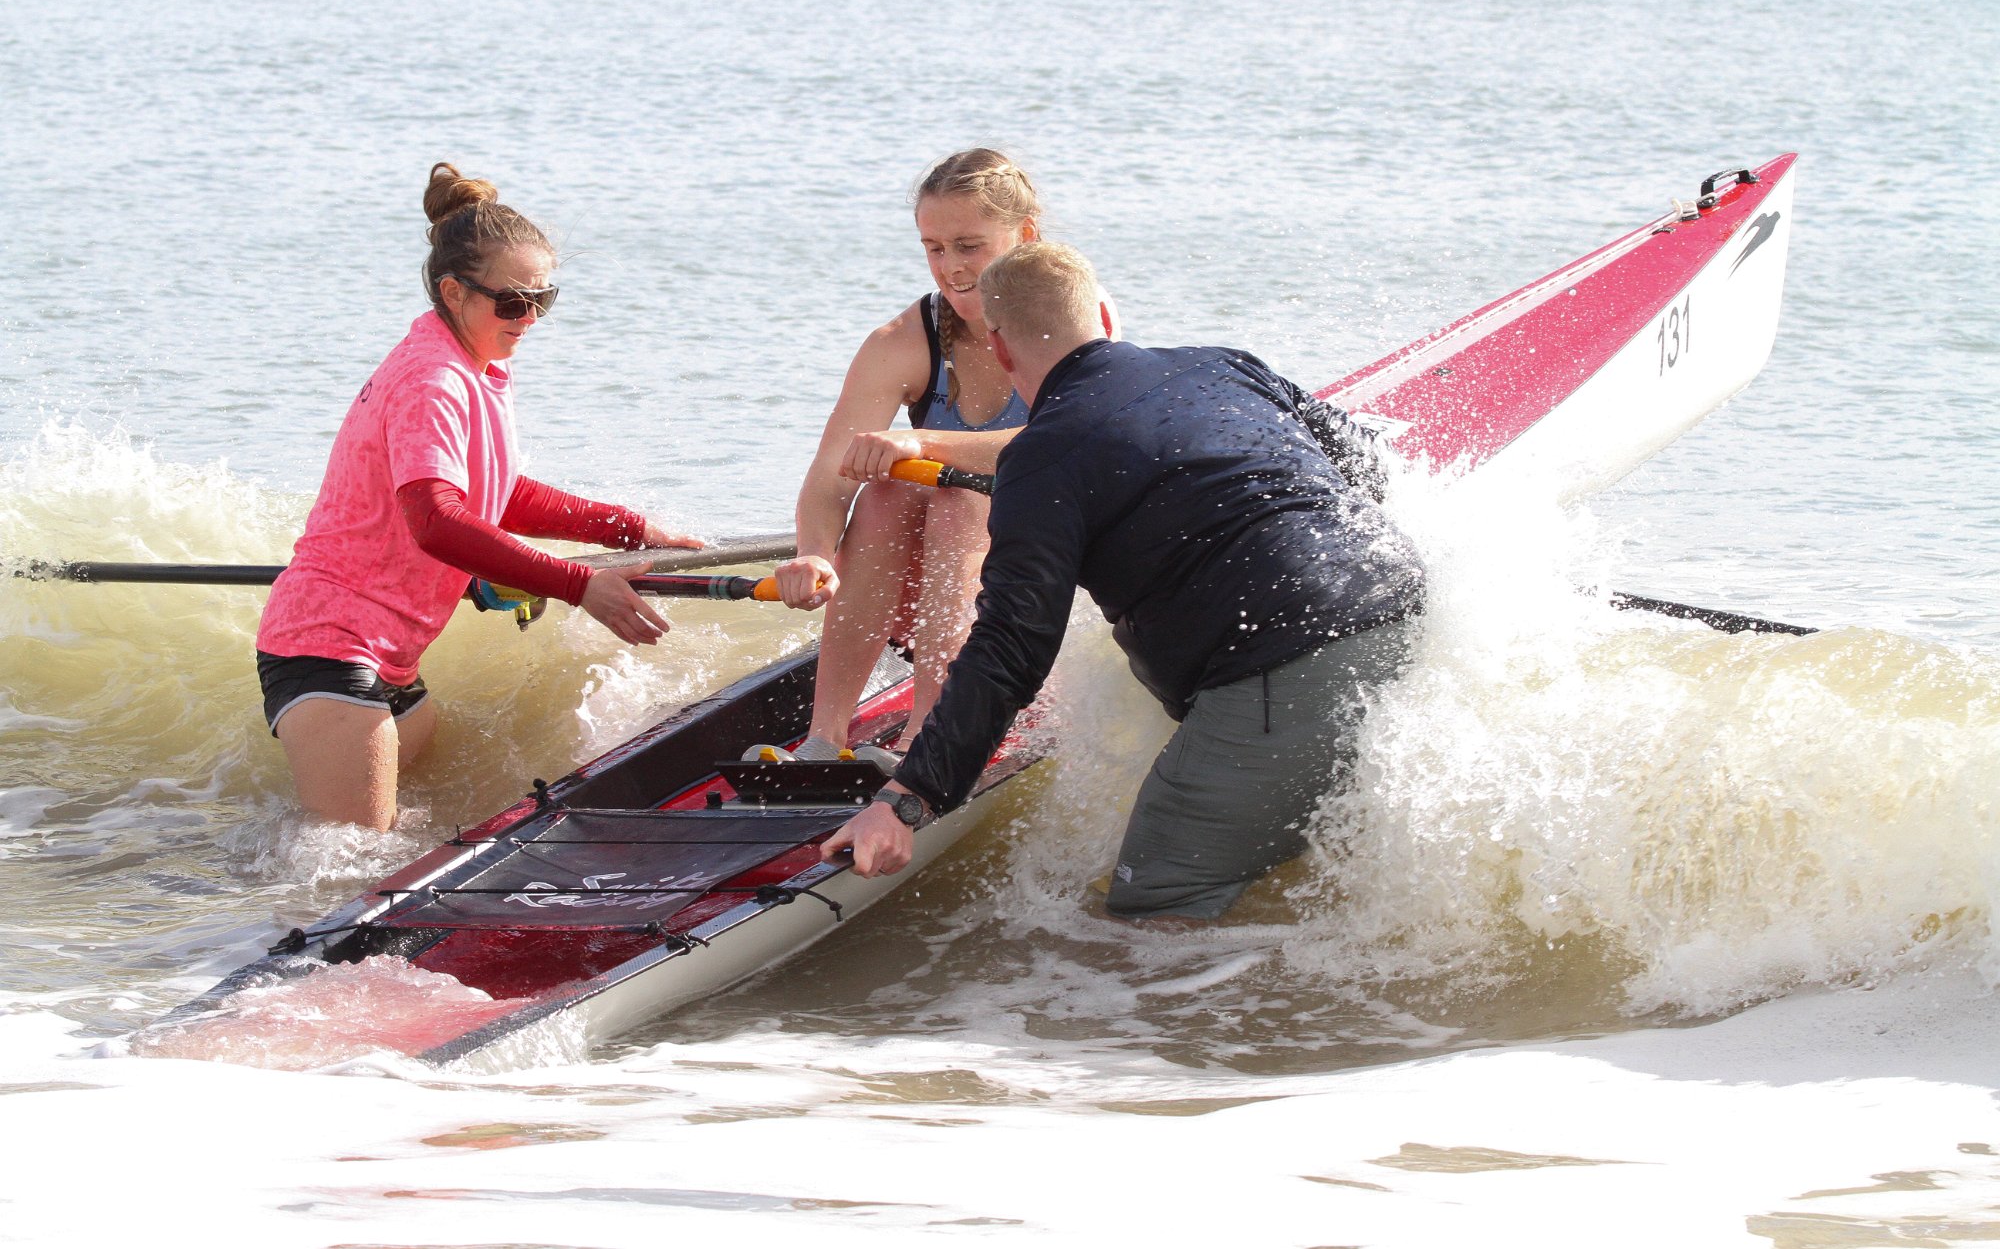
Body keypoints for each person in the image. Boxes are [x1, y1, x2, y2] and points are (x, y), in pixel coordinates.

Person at [825, 241, 1427, 922]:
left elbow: (1013, 646)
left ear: (998, 347)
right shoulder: (1228, 365)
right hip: (1403, 607)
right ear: (1104, 316)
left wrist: (907, 798)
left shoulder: (1042, 456)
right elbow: (1373, 470)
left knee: (1154, 906)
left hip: (1283, 665)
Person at [254, 162, 703, 831]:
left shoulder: (480, 365)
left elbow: (501, 491)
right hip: (330, 641)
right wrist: (580, 584)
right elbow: (436, 520)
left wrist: (630, 528)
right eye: (513, 303)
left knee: (381, 836)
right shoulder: (433, 377)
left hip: (390, 653)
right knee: (342, 871)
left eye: (542, 301)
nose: (529, 319)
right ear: (453, 291)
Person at [765, 149, 1047, 765]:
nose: (952, 268)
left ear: (1023, 236)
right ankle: (824, 738)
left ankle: (928, 737)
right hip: (933, 590)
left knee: (960, 500)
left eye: (970, 245)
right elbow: (828, 477)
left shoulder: (1066, 316)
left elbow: (1062, 444)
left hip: (1032, 567)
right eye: (934, 247)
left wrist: (921, 441)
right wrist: (813, 553)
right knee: (887, 491)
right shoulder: (902, 340)